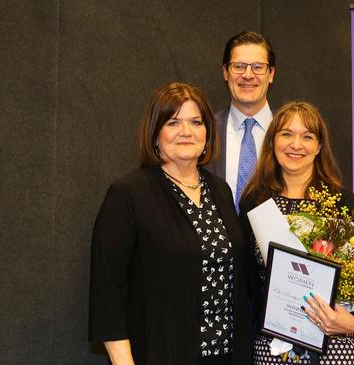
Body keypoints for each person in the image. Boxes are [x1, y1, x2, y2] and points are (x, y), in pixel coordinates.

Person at [89, 82, 251, 365]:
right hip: (162, 351)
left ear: (207, 133)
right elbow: (108, 291)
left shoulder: (220, 190)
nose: (186, 132)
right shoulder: (128, 194)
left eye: (196, 122)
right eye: (173, 122)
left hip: (227, 355)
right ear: (155, 132)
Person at [239, 101, 354, 365]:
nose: (295, 145)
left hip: (334, 341)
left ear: (319, 146)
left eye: (307, 136)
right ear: (272, 141)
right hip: (273, 344)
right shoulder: (254, 201)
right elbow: (247, 276)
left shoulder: (342, 201)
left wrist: (353, 321)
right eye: (286, 134)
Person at [207, 31, 276, 210]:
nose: (247, 75)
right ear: (225, 73)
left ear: (271, 74)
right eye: (238, 66)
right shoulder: (204, 130)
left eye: (258, 67)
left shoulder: (293, 134)